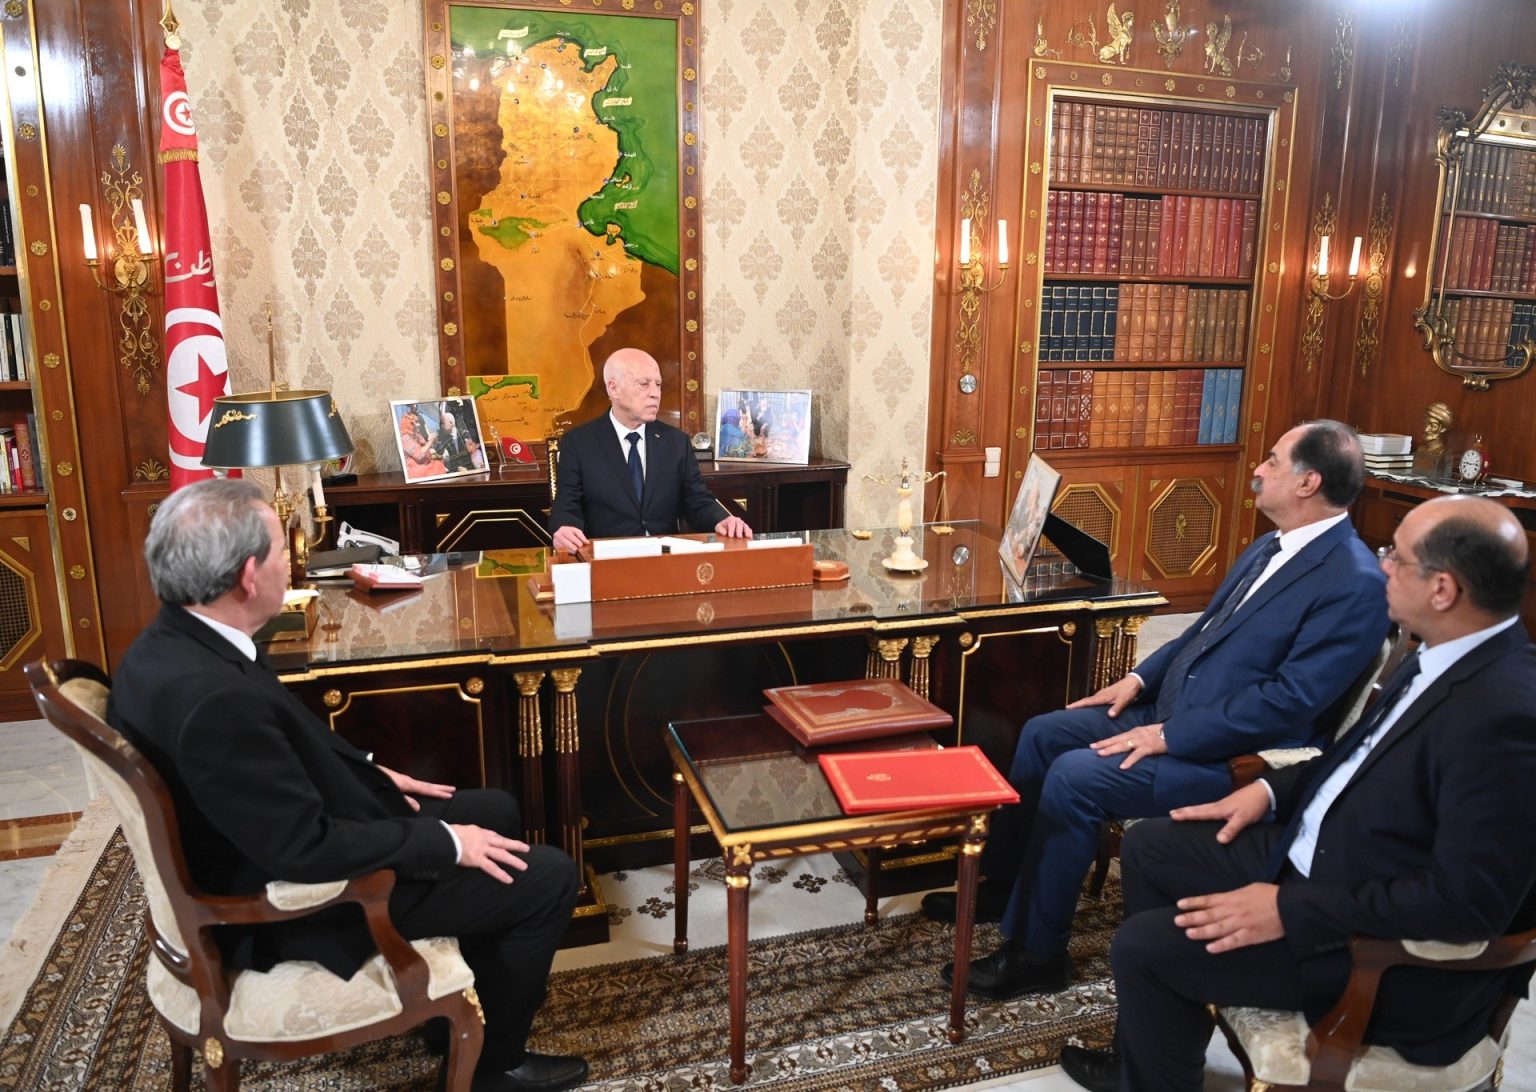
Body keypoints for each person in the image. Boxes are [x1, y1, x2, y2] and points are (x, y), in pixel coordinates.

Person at [107, 478, 587, 1092]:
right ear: (249, 576)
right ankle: (494, 1068)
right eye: (282, 550)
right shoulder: (213, 700)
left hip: (267, 841)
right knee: (549, 877)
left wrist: (371, 771)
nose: (292, 565)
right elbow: (303, 850)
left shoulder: (173, 643)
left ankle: (461, 1015)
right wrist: (445, 844)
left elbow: (274, 758)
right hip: (299, 904)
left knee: (495, 809)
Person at [1060, 494, 1536, 1092]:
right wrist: (1268, 790)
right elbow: (1357, 761)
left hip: (1376, 954)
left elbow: (1466, 905)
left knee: (1144, 949)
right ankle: (1148, 1061)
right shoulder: (1440, 652)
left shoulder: (1505, 716)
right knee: (1153, 846)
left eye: (1396, 556)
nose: (1382, 565)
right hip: (1331, 861)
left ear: (1443, 589)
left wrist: (1288, 909)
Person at [924, 419, 1390, 1000]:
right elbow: (1203, 632)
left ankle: (1037, 954)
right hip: (1170, 711)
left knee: (1075, 777)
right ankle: (1006, 887)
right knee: (1042, 733)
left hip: (1228, 756)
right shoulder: (1271, 544)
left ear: (1308, 482)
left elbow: (1288, 703)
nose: (1257, 468)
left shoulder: (1354, 582)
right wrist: (1139, 678)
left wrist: (1170, 736)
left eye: (1272, 460)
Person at [549, 348, 752, 553]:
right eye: (644, 384)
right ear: (614, 389)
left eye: (658, 384)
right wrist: (564, 527)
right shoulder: (579, 442)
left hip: (665, 559)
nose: (655, 393)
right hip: (607, 558)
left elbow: (697, 500)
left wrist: (722, 519)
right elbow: (566, 503)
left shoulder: (676, 442)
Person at [400, 403, 446, 479]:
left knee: (439, 464)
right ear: (408, 425)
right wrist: (431, 441)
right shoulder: (405, 439)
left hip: (426, 464)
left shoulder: (416, 435)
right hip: (418, 471)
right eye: (415, 422)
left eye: (417, 421)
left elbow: (427, 447)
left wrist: (432, 442)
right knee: (438, 467)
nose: (418, 424)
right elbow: (420, 456)